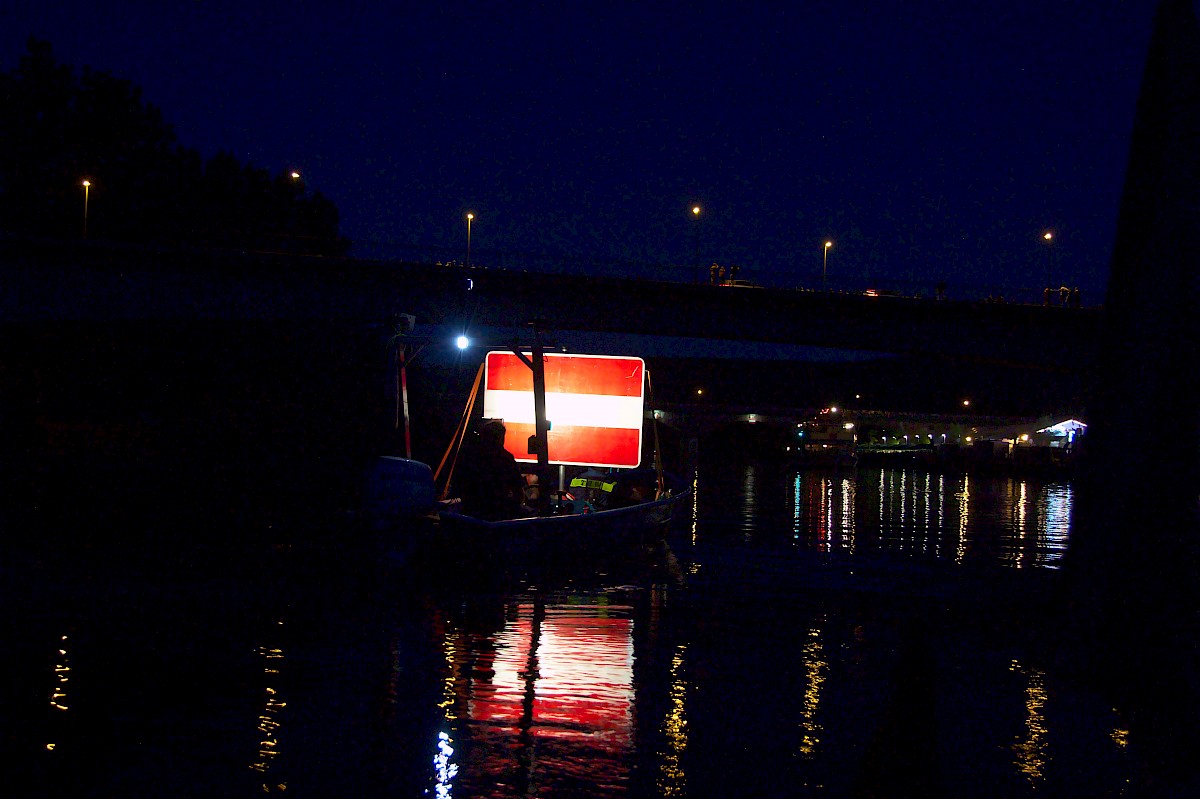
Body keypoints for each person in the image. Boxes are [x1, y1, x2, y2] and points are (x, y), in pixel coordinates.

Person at [452, 420, 531, 520]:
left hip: (472, 512)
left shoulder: (470, 456)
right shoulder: (506, 458)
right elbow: (518, 492)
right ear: (501, 437)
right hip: (499, 511)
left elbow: (461, 486)